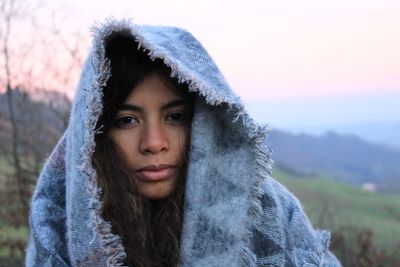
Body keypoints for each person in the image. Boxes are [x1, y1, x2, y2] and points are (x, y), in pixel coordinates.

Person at [25, 18, 341, 266]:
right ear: (96, 133)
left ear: (204, 122)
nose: (154, 143)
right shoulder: (57, 226)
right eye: (126, 121)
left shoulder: (270, 213)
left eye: (175, 116)